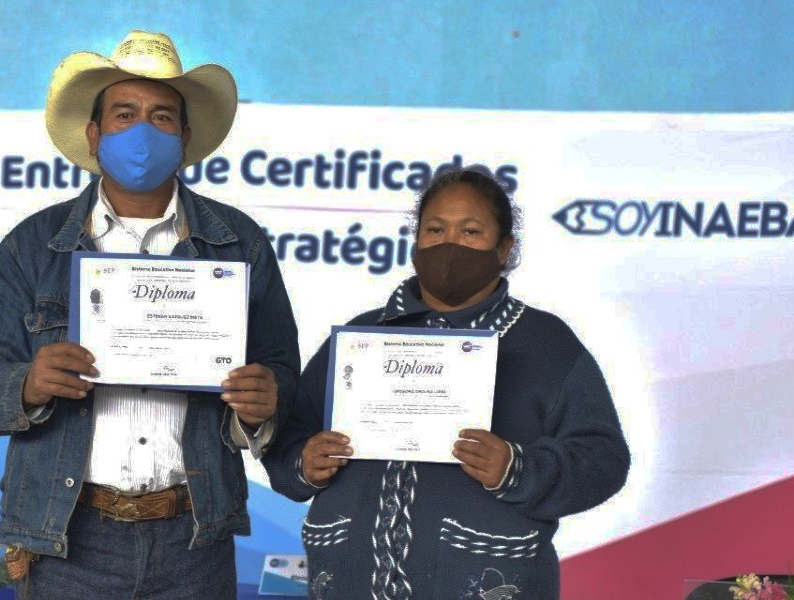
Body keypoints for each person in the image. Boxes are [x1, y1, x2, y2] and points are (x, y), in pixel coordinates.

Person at [0, 31, 300, 600]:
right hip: (68, 538)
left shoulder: (239, 243)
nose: (143, 131)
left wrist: (264, 403)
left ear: (184, 137)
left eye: (161, 117)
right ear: (94, 135)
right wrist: (28, 385)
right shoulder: (30, 246)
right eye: (124, 114)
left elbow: (281, 373)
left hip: (195, 538)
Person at [262, 169, 629, 600]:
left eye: (470, 231)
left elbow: (603, 459)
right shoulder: (362, 337)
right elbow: (289, 436)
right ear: (416, 241)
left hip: (484, 577)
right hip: (349, 581)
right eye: (435, 230)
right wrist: (305, 462)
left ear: (504, 247)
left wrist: (518, 469)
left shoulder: (545, 343)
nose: (449, 245)